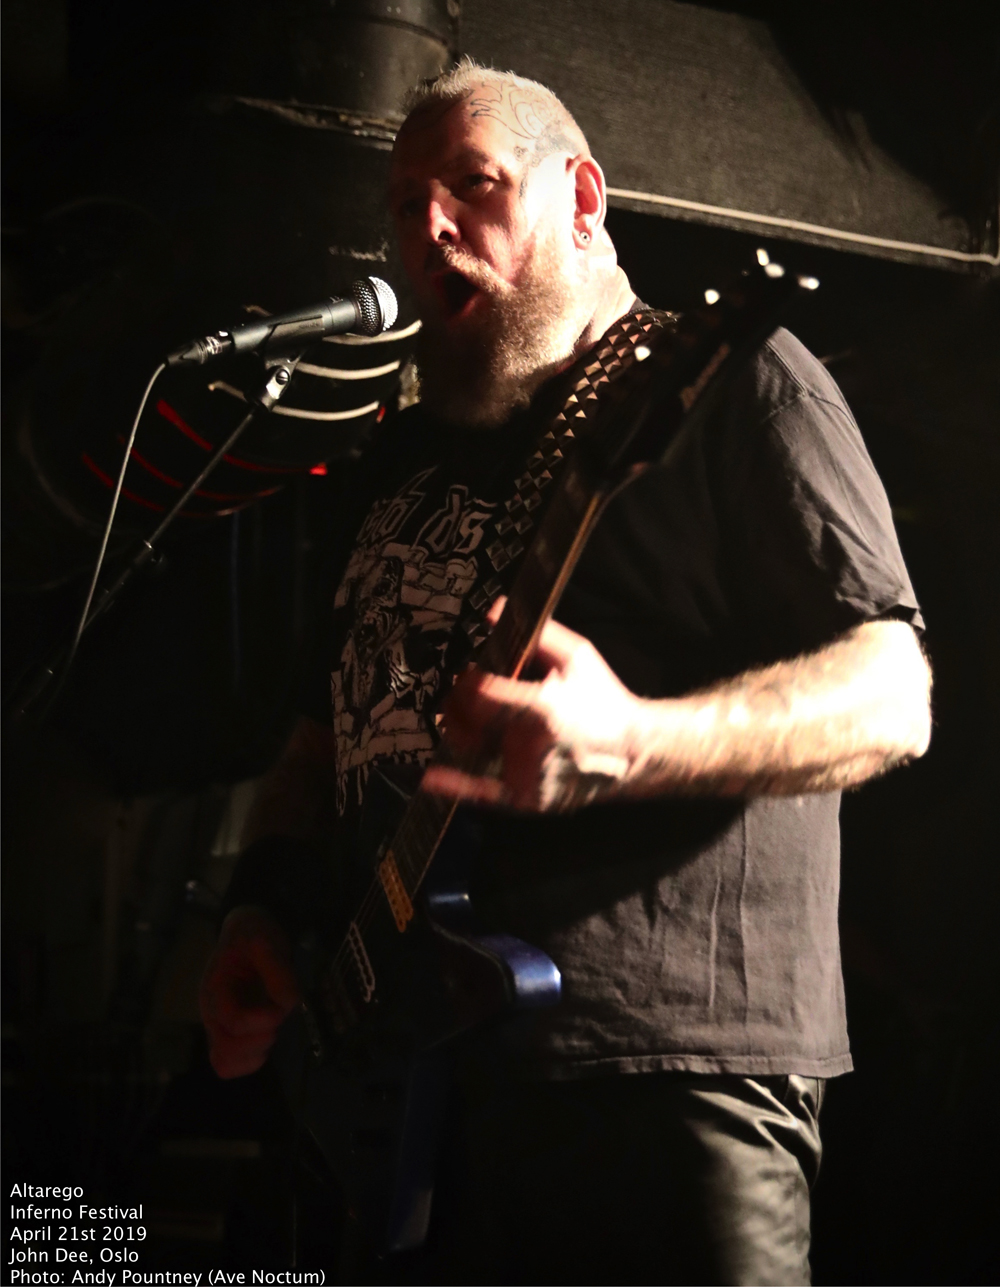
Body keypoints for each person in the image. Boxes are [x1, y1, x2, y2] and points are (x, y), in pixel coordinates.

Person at [199, 59, 931, 1285]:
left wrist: (636, 740)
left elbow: (893, 691)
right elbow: (320, 740)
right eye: (405, 203)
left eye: (472, 186)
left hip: (654, 1072)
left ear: (583, 199)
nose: (429, 228)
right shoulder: (395, 464)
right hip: (400, 1093)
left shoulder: (733, 385)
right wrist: (260, 911)